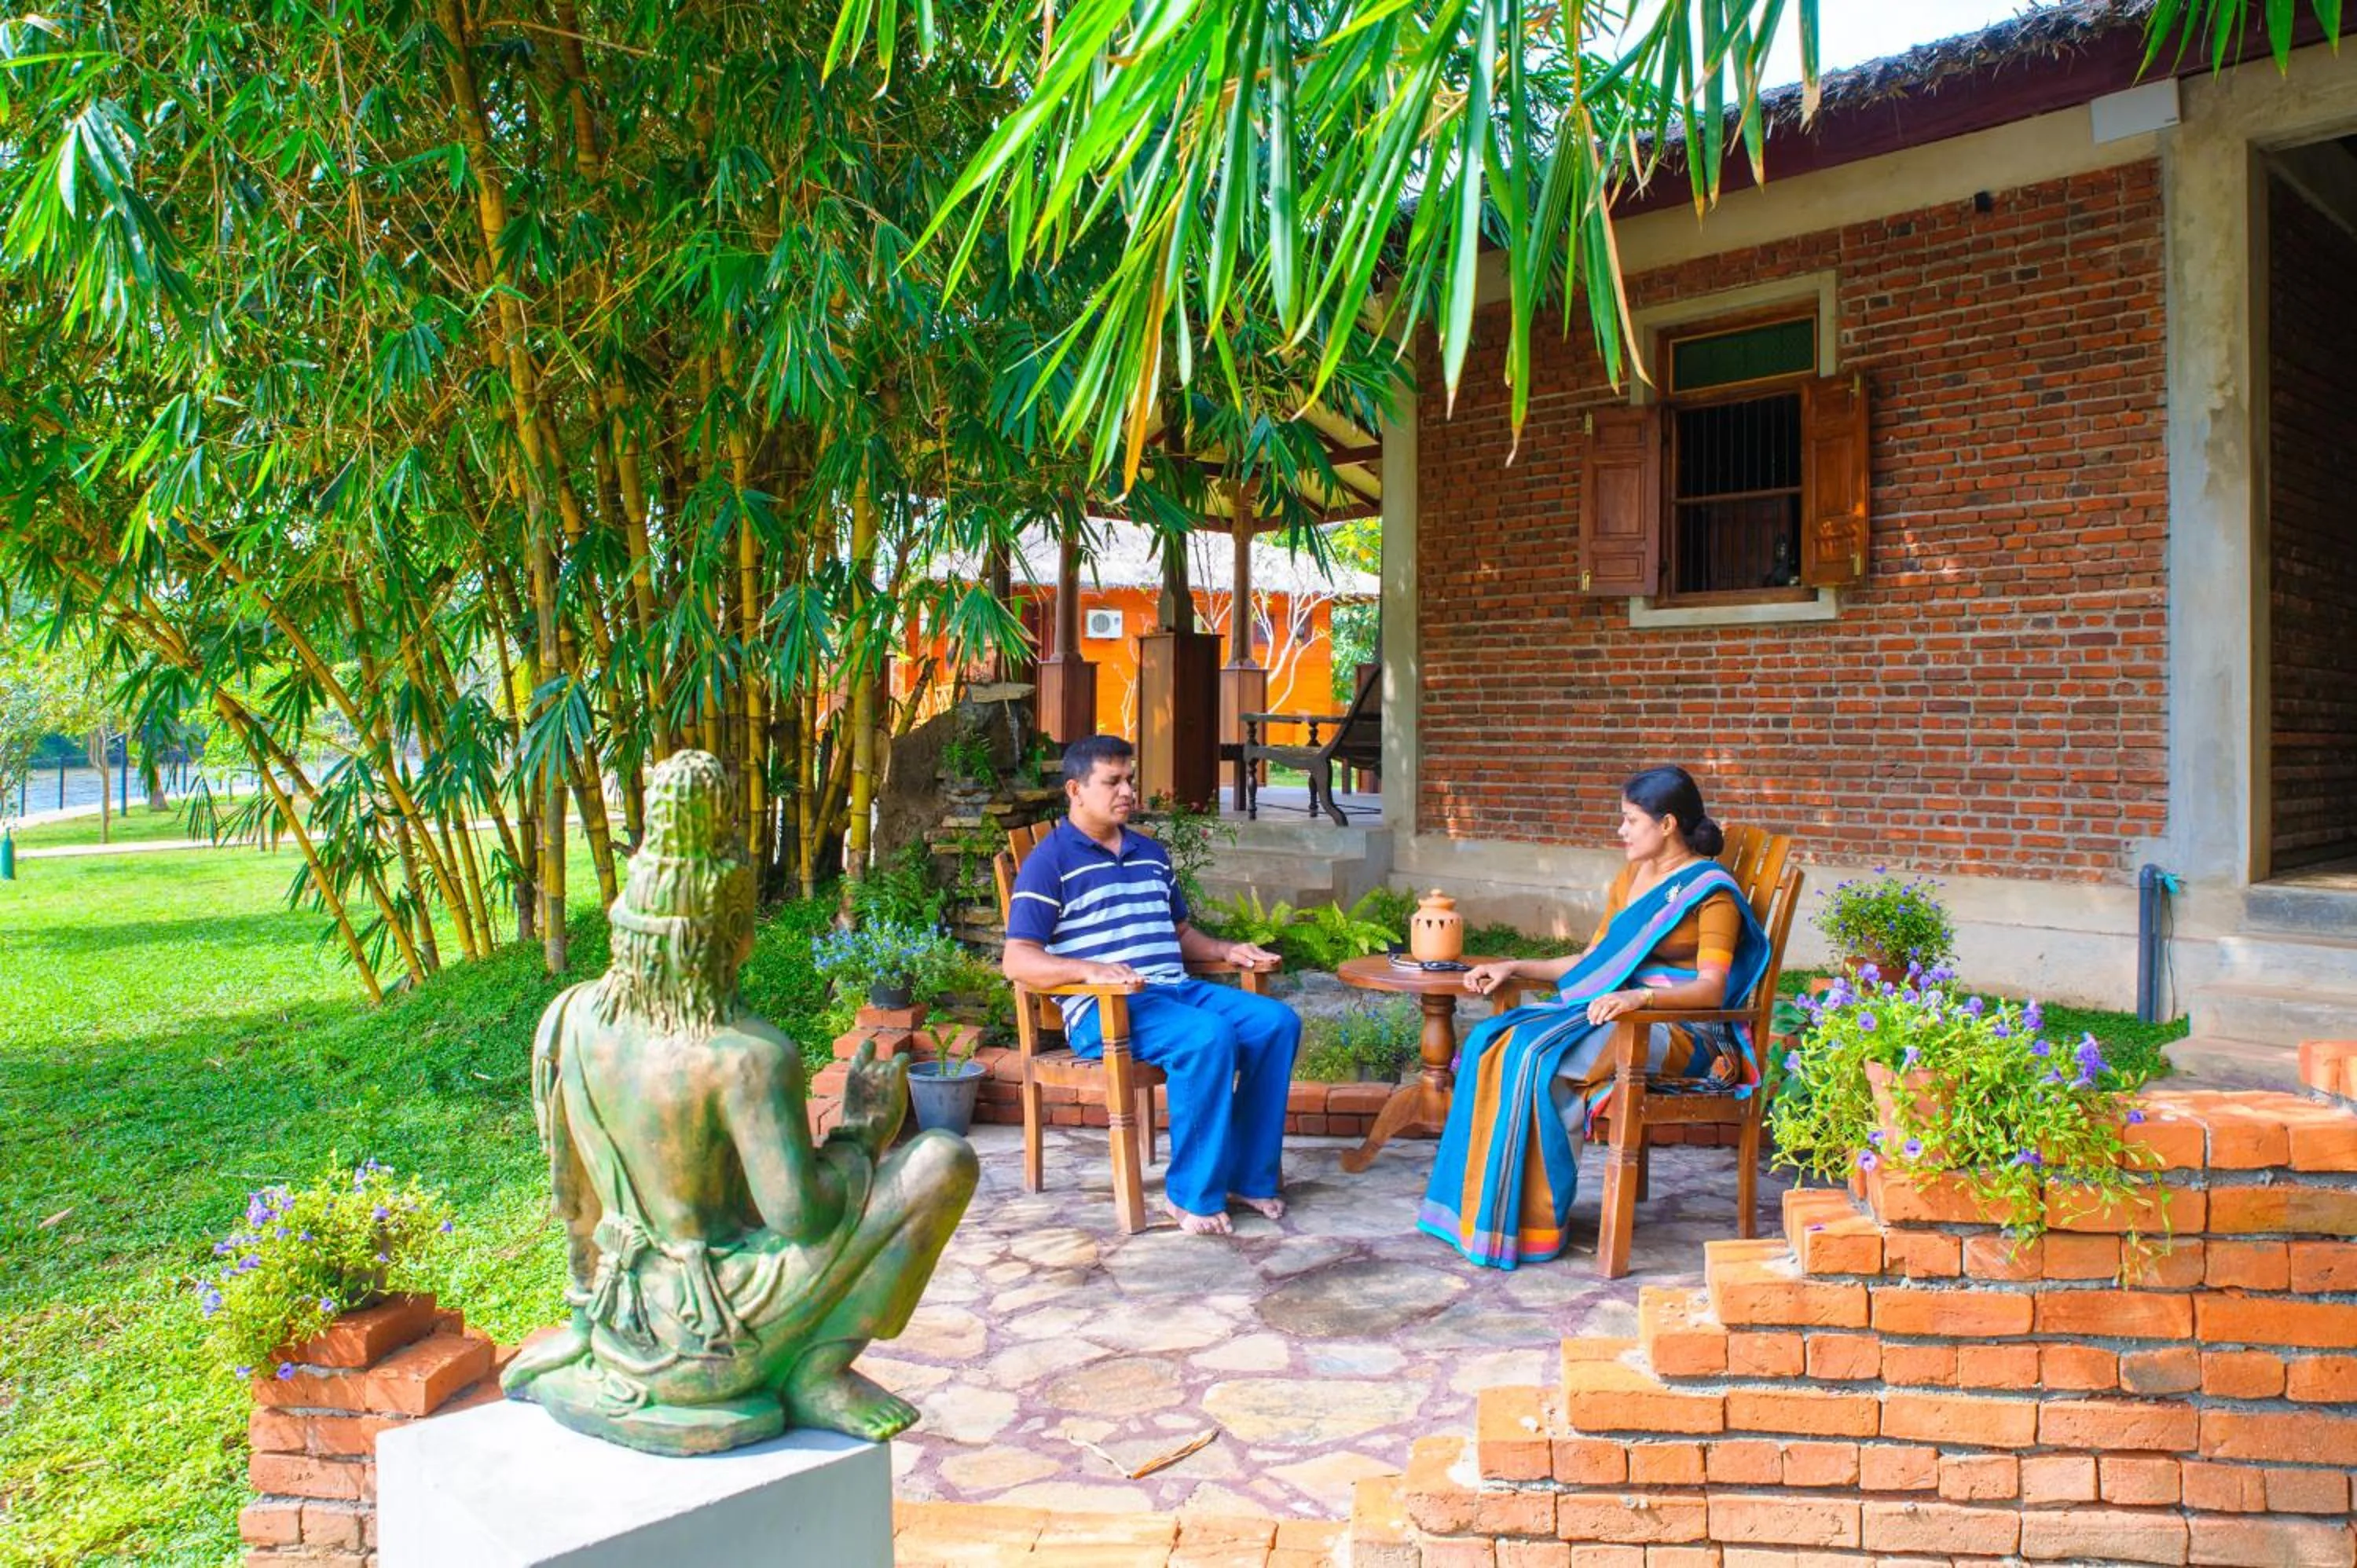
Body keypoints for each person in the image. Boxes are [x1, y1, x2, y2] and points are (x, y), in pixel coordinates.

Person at [503, 750, 978, 1454]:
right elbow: (803, 1218)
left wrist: (583, 1328)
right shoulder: (746, 1056)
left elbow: (575, 1206)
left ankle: (750, 1366)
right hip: (714, 1335)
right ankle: (815, 1372)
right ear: (729, 931)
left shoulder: (568, 1020)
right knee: (942, 1161)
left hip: (616, 1324)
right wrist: (861, 1135)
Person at [1417, 765, 1769, 1270]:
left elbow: (1712, 989)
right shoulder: (1632, 879)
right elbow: (1592, 961)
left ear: (1667, 824)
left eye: (1630, 820)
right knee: (1488, 1042)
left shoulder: (1711, 893)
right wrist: (1515, 966)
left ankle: (1534, 1222)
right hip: (1619, 1014)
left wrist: (1640, 1000)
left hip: (1685, 1033)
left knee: (1537, 1056)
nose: (1621, 830)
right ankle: (1488, 1213)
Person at [1001, 735, 1296, 1236]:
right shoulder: (1050, 862)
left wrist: (1226, 950)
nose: (1127, 791)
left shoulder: (1149, 852)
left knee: (1276, 1023)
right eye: (1112, 782)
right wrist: (1089, 970)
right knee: (1207, 1036)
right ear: (1075, 790)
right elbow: (1018, 959)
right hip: (1106, 1010)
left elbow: (1179, 935)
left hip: (1175, 992)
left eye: (1130, 779)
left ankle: (1247, 1177)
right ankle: (1190, 1197)